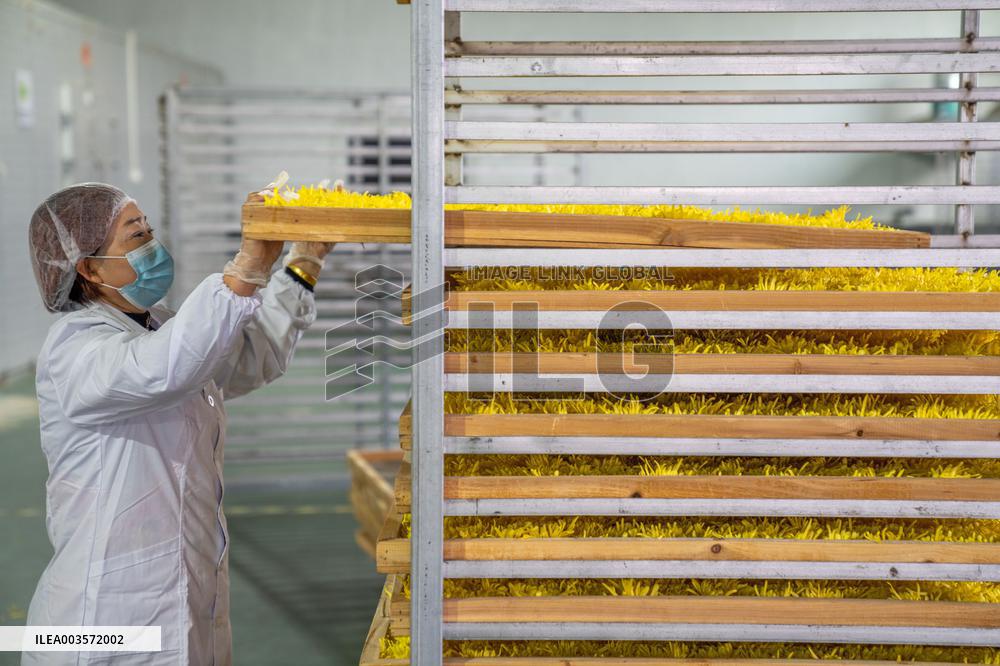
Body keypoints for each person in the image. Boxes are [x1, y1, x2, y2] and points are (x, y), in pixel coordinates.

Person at [23, 182, 333, 665]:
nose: (152, 246)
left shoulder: (158, 326)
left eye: (150, 230)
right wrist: (245, 270)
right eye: (135, 237)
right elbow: (165, 367)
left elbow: (251, 357)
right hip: (102, 621)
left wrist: (302, 264)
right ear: (87, 267)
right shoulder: (74, 350)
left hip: (175, 599)